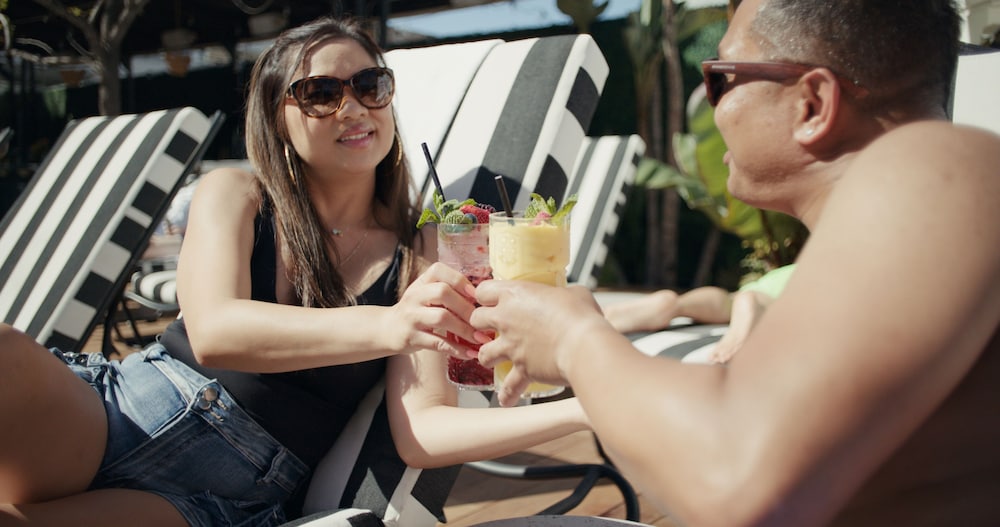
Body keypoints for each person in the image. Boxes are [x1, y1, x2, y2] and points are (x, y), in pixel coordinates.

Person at [0, 17, 590, 526]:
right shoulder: (237, 194)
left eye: (369, 85)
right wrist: (392, 324)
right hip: (122, 413)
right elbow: (213, 331)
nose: (353, 107)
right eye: (320, 93)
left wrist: (592, 404)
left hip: (219, 499)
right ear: (278, 118)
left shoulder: (422, 254)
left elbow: (424, 431)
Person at [471, 0, 1000, 524]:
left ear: (812, 103)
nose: (707, 102)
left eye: (721, 77)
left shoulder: (937, 164)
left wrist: (572, 339)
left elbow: (736, 483)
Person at [603, 264, 795, 363]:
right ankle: (751, 306)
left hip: (780, 276)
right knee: (764, 301)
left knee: (728, 300)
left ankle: (678, 305)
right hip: (796, 285)